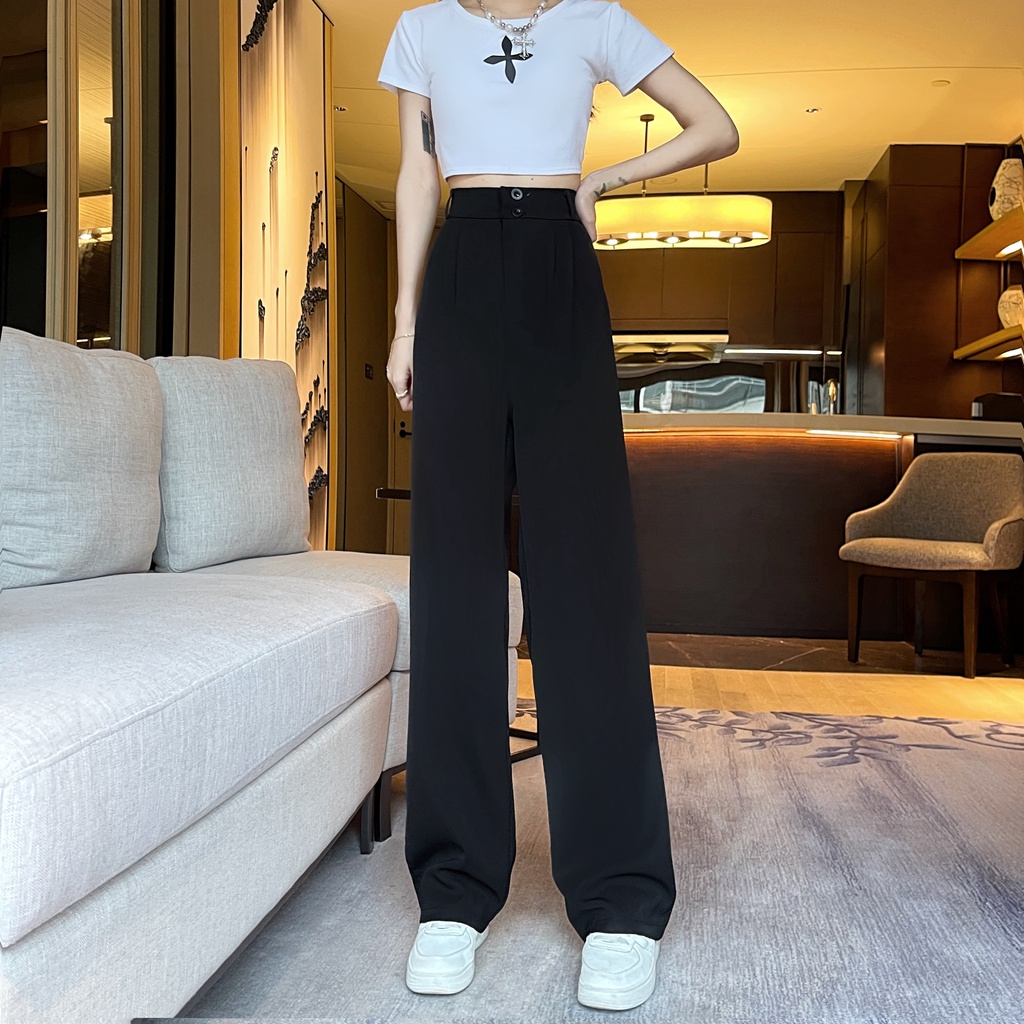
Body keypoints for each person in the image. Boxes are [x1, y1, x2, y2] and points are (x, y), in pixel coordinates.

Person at [377, 0, 738, 1011]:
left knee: (585, 580)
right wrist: (404, 323)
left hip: (559, 274)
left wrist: (602, 180)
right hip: (457, 280)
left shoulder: (595, 20)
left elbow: (714, 125)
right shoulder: (421, 29)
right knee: (454, 584)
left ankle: (619, 900)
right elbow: (416, 173)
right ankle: (454, 891)